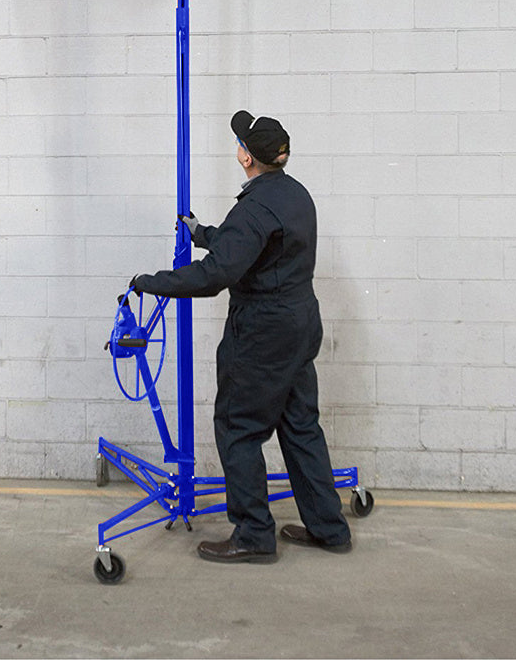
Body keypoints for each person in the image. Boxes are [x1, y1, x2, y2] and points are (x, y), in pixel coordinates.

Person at [130, 110, 352, 564]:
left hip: (262, 334)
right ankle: (329, 528)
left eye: (241, 143)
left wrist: (151, 282)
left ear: (247, 158)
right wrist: (203, 233)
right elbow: (254, 245)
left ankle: (253, 534)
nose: (238, 148)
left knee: (238, 427)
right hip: (299, 324)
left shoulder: (253, 207)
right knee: (300, 426)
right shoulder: (295, 194)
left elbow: (217, 274)